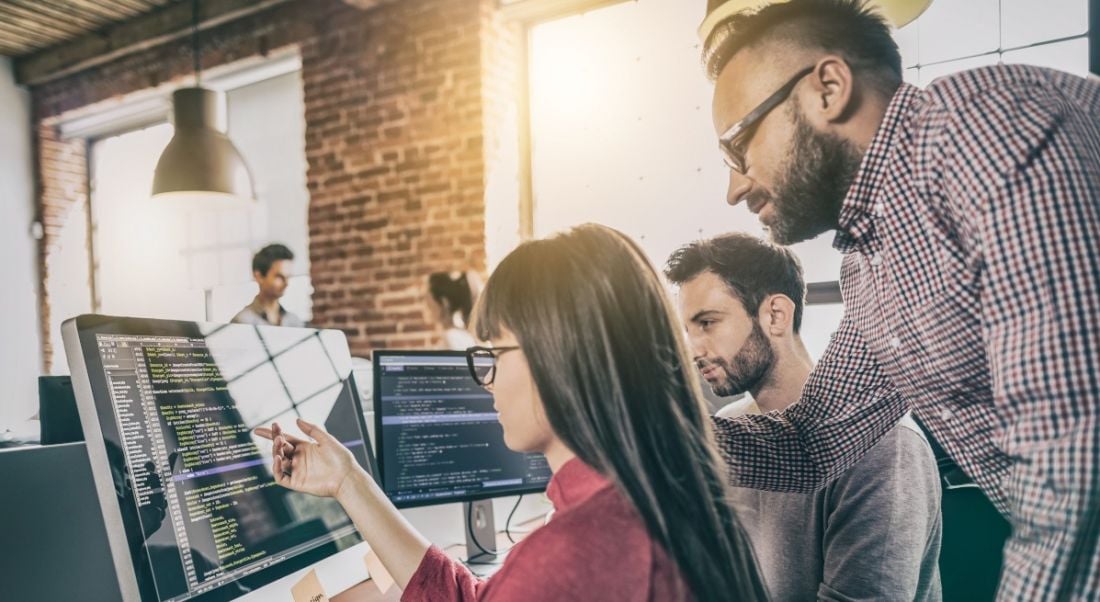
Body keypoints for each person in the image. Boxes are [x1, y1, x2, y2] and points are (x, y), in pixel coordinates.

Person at [700, 0, 1100, 598]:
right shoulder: (871, 261)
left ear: (828, 88)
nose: (734, 188)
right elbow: (814, 444)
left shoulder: (992, 132)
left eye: (738, 147)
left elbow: (1077, 470)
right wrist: (634, 433)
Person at [256, 224, 768, 601]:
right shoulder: (674, 499)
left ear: (558, 356)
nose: (488, 381)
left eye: (495, 353)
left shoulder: (572, 555)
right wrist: (348, 480)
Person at [666, 232, 942, 601]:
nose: (693, 348)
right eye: (687, 330)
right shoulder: (732, 426)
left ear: (775, 315)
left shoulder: (885, 444)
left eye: (708, 323)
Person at [232, 243, 305, 327]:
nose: (286, 283)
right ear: (258, 277)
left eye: (288, 277)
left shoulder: (294, 321)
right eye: (279, 277)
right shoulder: (242, 322)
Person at [427, 271, 481, 350]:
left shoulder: (452, 338)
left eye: (429, 303)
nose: (427, 307)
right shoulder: (459, 336)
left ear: (444, 303)